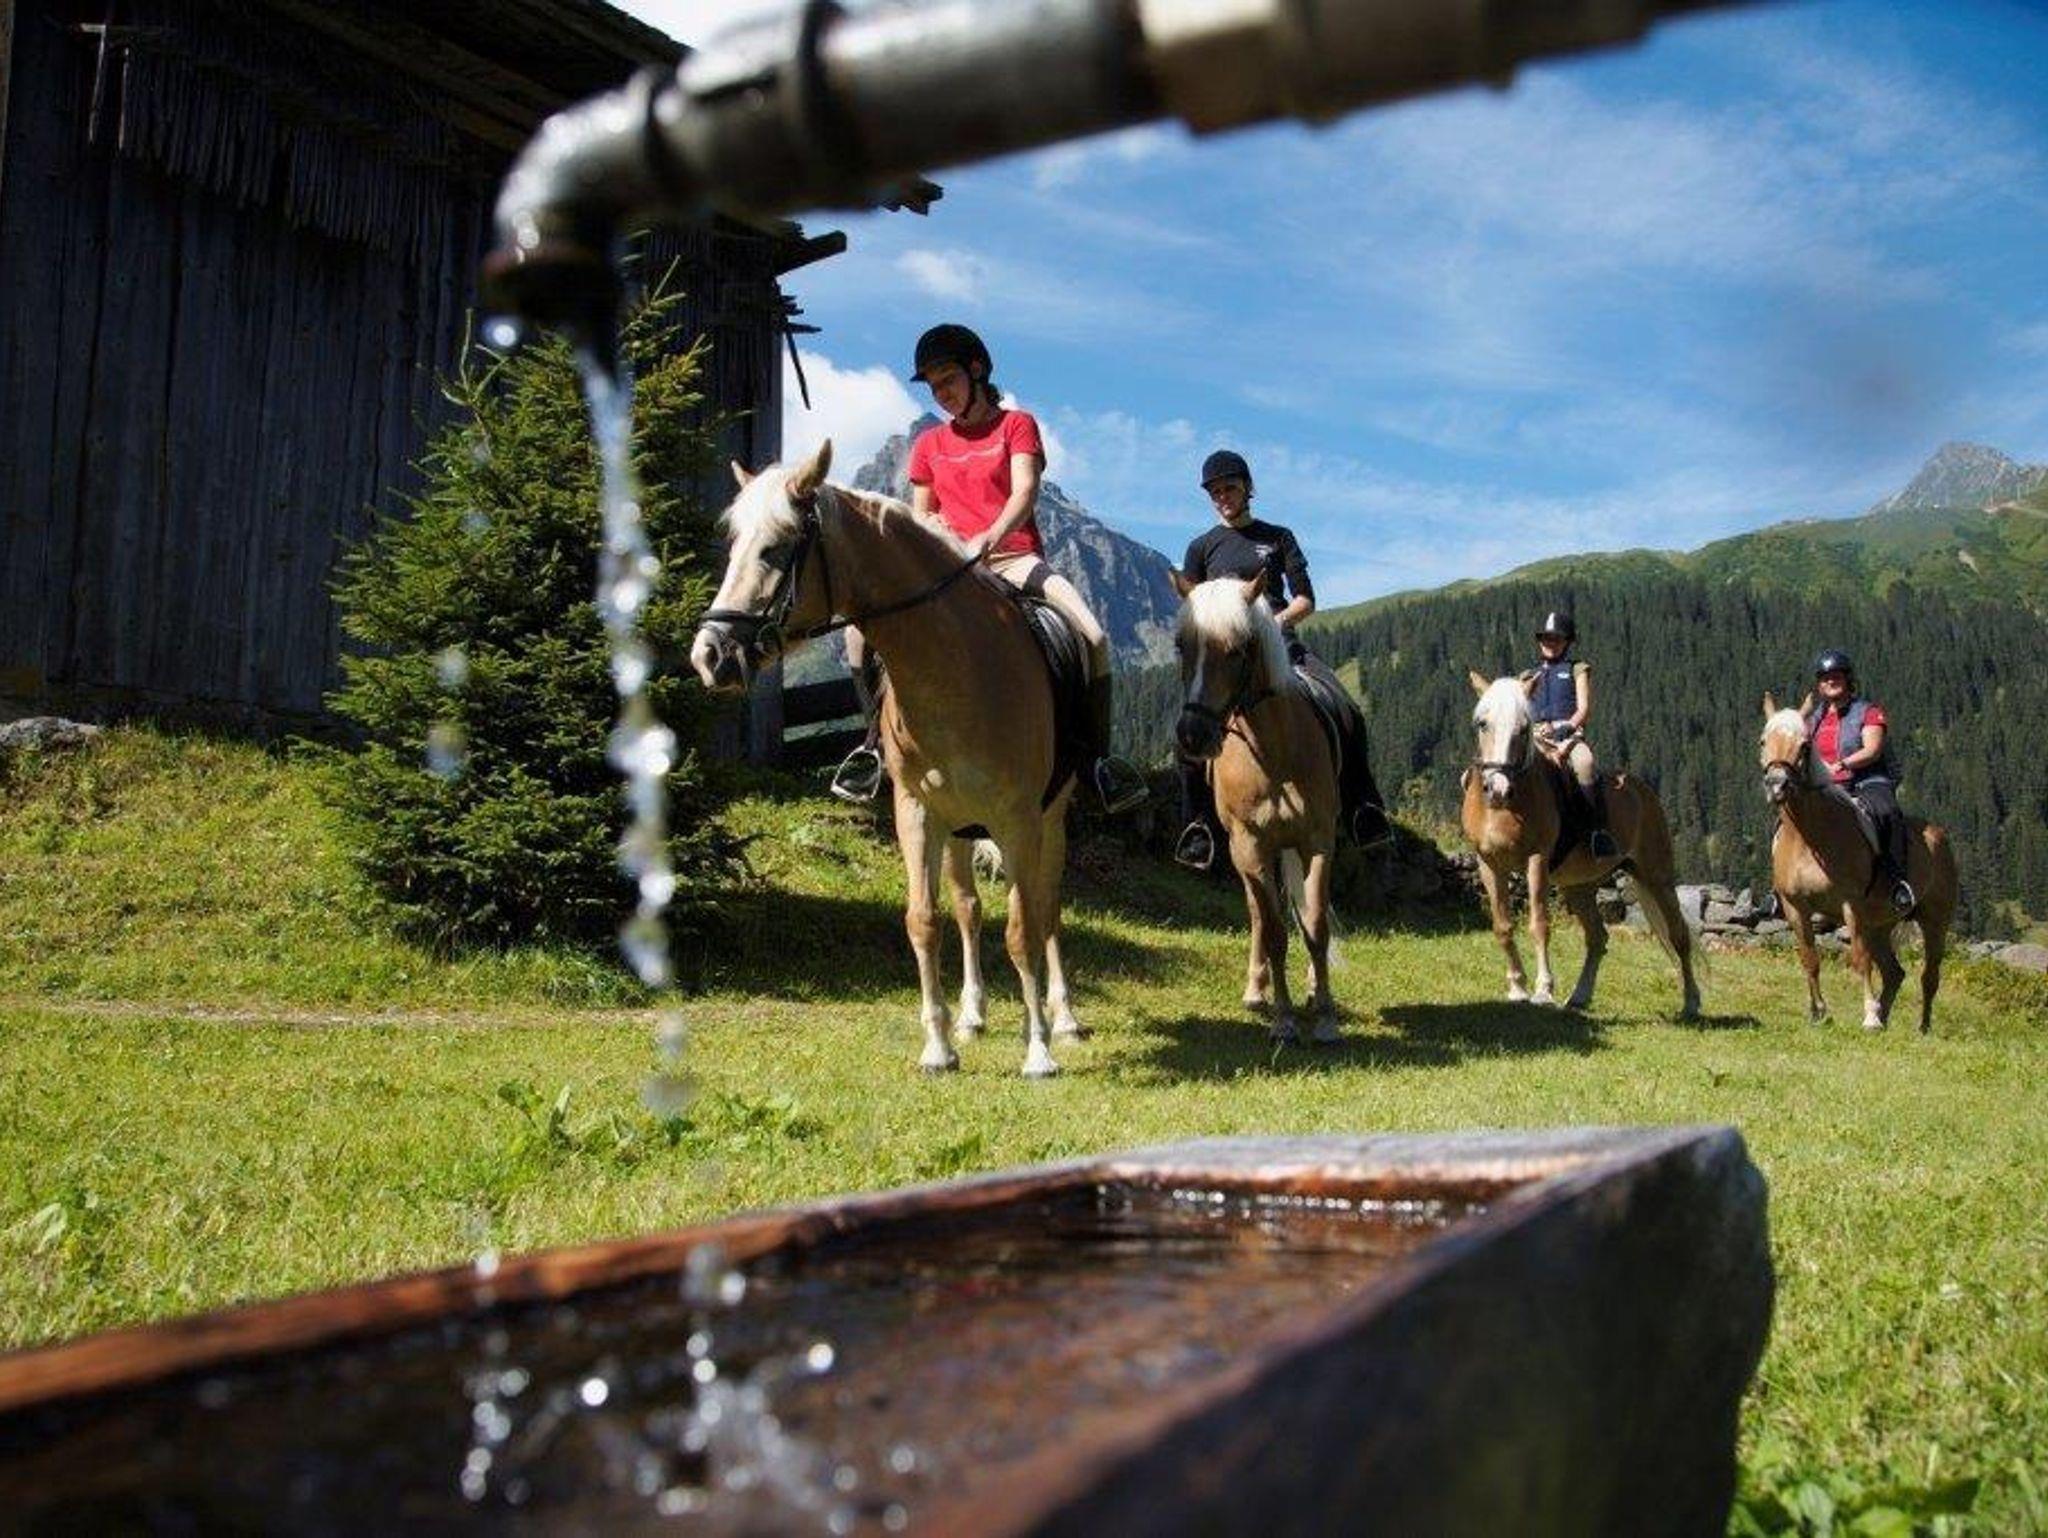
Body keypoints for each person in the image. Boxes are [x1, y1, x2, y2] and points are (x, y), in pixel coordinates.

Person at [829, 323, 1148, 813]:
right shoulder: (929, 444)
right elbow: (921, 514)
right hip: (949, 571)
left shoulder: (1017, 425)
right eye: (933, 386)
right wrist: (934, 534)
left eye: (949, 380)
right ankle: (873, 746)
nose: (942, 394)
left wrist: (988, 539)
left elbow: (1025, 491)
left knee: (1093, 636)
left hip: (1014, 558)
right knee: (856, 633)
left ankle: (1096, 762)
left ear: (977, 371)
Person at [1171, 449, 1391, 872]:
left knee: (1345, 707)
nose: (1222, 497)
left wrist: (1272, 624)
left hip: (1280, 643)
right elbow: (1195, 606)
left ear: (1247, 488)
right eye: (1215, 492)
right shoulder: (1201, 547)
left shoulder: (1278, 537)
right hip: (1227, 655)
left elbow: (1305, 599)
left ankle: (1363, 807)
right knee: (1189, 728)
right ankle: (1197, 824)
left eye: (1229, 488)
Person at [1807, 648, 1914, 914]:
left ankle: (1897, 882)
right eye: (1825, 677)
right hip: (1827, 785)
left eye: (1837, 676)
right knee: (1788, 815)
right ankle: (1780, 889)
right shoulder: (1814, 719)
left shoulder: (1867, 711)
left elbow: (1872, 750)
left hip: (1867, 779)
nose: (1831, 681)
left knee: (1887, 811)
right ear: (1819, 684)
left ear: (1848, 678)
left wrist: (1842, 764)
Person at [1524, 611, 1620, 861]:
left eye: (1556, 638)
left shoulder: (1578, 669)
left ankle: (1597, 832)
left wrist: (1566, 728)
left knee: (1585, 763)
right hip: (1536, 736)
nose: (1550, 643)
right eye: (1546, 638)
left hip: (1568, 733)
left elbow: (1584, 708)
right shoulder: (1527, 676)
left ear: (1567, 642)